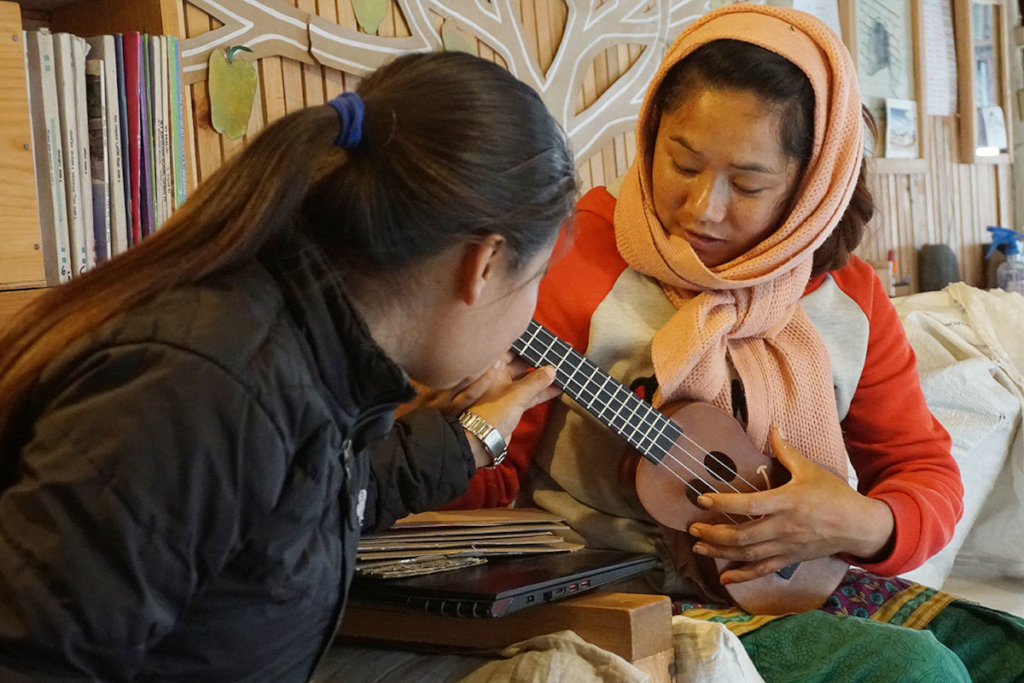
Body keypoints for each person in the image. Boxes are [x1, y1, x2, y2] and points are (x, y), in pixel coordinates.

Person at [445, 5, 1024, 680]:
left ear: (812, 185)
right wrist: (460, 416)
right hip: (612, 588)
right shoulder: (570, 253)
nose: (702, 209)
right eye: (681, 163)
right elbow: (489, 484)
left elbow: (922, 472)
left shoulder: (850, 294)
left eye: (748, 184)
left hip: (796, 578)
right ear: (650, 133)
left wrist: (856, 523)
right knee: (912, 669)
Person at [0, 51, 576, 681]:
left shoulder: (302, 352)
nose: (527, 314)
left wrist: (474, 435)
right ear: (485, 263)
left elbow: (317, 497)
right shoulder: (204, 386)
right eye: (537, 278)